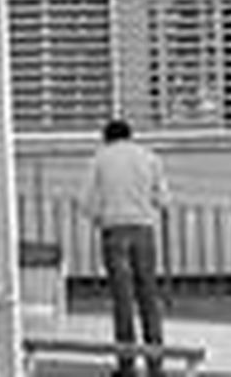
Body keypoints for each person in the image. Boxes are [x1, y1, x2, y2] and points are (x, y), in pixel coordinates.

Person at [80, 118, 171, 377]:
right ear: (131, 136)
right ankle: (156, 364)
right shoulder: (149, 157)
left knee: (122, 299)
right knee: (148, 296)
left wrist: (100, 218)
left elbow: (85, 201)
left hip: (114, 232)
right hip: (143, 230)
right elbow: (163, 199)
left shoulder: (99, 159)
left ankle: (126, 365)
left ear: (106, 137)